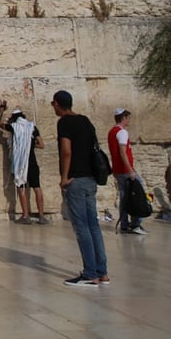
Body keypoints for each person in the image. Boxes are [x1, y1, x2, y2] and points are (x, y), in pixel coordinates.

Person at [52, 90, 109, 287]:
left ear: (58, 104)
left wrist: (64, 177)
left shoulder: (64, 123)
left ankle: (89, 273)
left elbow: (66, 151)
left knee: (81, 227)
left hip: (75, 180)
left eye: (54, 104)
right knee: (93, 225)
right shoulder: (85, 121)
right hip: (91, 179)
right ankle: (102, 272)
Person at [0, 100, 48, 225]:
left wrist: (1, 109)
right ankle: (41, 215)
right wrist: (29, 145)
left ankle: (25, 215)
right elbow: (41, 144)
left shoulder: (14, 127)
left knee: (21, 186)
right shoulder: (32, 127)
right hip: (32, 161)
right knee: (37, 187)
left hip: (21, 163)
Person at [108, 108, 147, 236]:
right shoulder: (122, 132)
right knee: (139, 195)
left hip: (118, 170)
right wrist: (130, 170)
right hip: (125, 170)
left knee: (125, 197)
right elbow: (122, 152)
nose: (129, 120)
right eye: (128, 117)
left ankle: (125, 225)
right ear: (123, 118)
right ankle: (135, 223)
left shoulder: (111, 132)